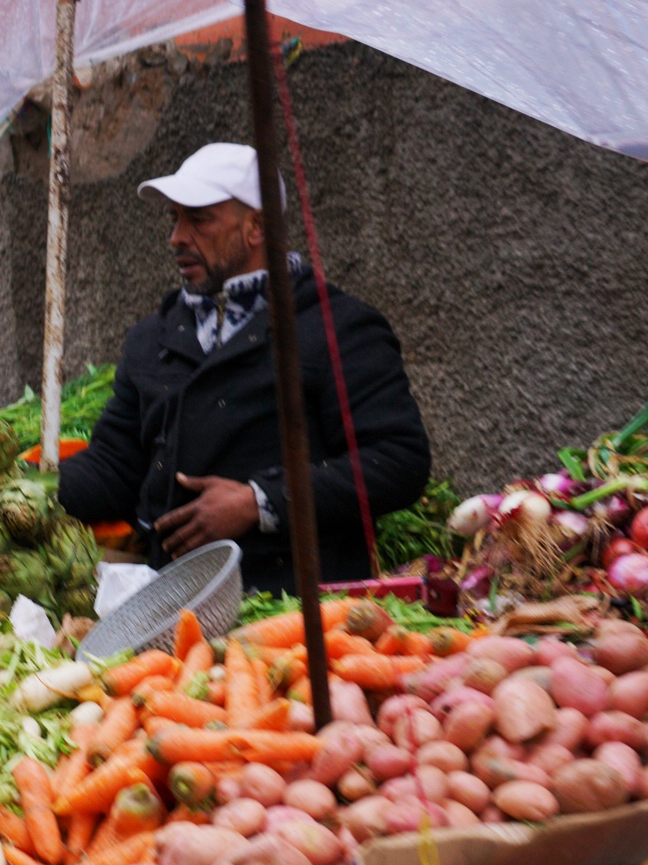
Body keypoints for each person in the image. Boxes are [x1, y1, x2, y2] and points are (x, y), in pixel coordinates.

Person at [59, 142, 432, 592]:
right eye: (174, 218)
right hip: (173, 608)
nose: (176, 236)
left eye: (198, 219)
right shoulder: (151, 338)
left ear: (256, 226)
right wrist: (24, 492)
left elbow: (398, 461)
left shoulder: (337, 328)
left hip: (296, 612)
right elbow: (114, 467)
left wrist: (260, 502)